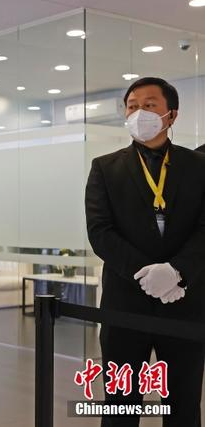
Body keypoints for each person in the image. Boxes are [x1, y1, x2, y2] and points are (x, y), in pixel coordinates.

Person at [85, 77, 205, 427]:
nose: (139, 112)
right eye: (132, 106)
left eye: (150, 105)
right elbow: (100, 232)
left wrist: (177, 272)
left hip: (185, 303)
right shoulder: (105, 167)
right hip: (125, 304)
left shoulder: (199, 166)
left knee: (183, 405)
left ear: (171, 115)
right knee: (120, 406)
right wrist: (149, 275)